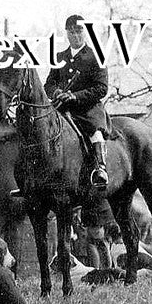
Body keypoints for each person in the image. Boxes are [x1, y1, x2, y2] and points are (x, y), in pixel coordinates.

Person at [45, 14, 111, 191]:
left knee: (95, 132)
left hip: (87, 108)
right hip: (62, 108)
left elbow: (101, 88)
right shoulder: (60, 56)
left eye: (79, 31)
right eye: (72, 32)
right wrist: (56, 92)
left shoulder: (96, 56)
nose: (75, 35)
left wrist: (75, 96)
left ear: (85, 32)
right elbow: (49, 83)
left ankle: (100, 169)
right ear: (67, 33)